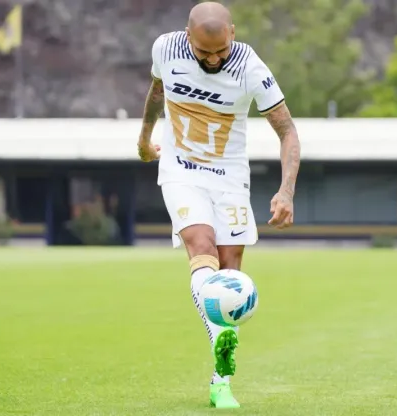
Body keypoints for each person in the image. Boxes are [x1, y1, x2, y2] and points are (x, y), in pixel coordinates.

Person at [136, 1, 301, 409]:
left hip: (230, 178)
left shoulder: (250, 66)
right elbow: (157, 93)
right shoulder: (166, 49)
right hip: (181, 169)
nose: (213, 60)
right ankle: (219, 339)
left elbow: (287, 130)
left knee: (231, 277)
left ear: (232, 33)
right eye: (203, 52)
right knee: (202, 247)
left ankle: (220, 382)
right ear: (188, 36)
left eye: (220, 51)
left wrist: (286, 191)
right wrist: (144, 138)